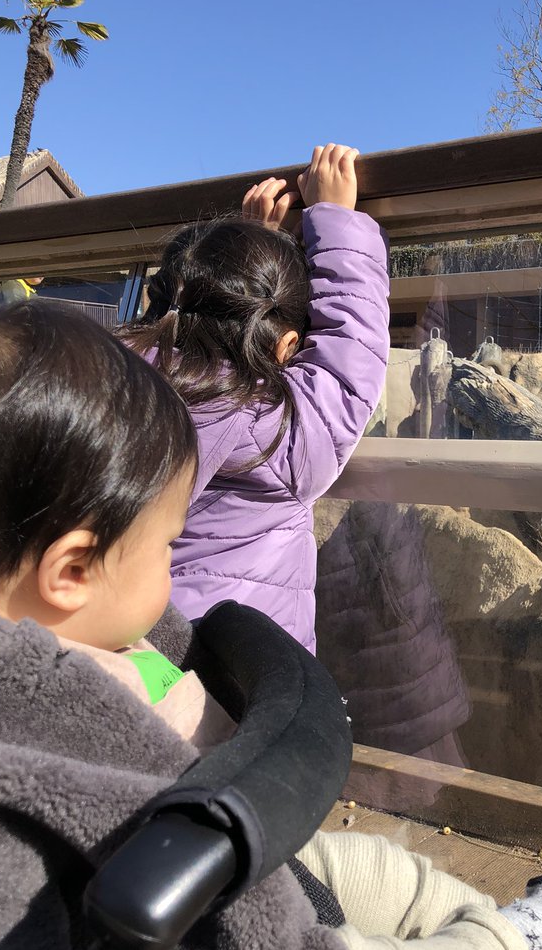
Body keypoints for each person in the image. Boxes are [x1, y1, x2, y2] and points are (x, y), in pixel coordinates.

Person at [0, 300, 542, 950]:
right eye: (165, 548)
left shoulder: (75, 637)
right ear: (72, 571)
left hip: (219, 863)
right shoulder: (52, 706)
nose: (172, 567)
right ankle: (531, 949)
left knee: (380, 873)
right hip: (188, 937)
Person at [122, 143, 389, 654]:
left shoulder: (117, 383)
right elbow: (351, 349)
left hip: (128, 647)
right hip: (241, 679)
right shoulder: (278, 434)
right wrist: (332, 219)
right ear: (290, 346)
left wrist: (253, 248)